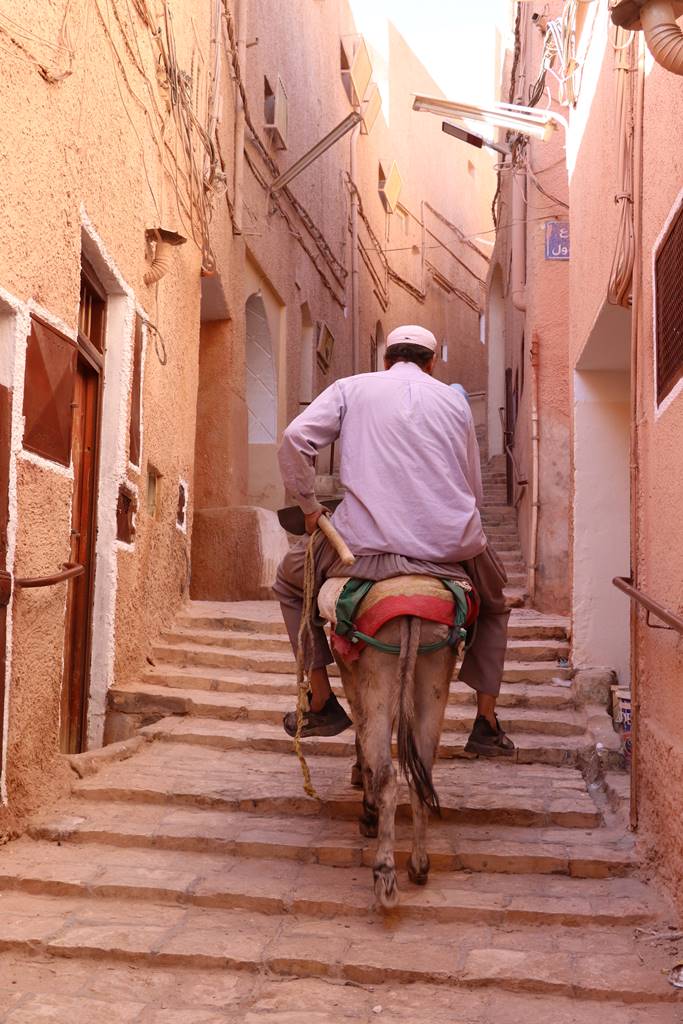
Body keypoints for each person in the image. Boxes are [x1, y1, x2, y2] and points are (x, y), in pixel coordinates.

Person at [273, 325, 514, 757]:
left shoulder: (351, 388)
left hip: (362, 544)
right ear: (432, 362)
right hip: (448, 542)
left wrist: (309, 505)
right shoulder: (455, 403)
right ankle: (486, 721)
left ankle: (321, 699)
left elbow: (295, 438)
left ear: (385, 360)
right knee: (494, 604)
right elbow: (472, 491)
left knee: (290, 584)